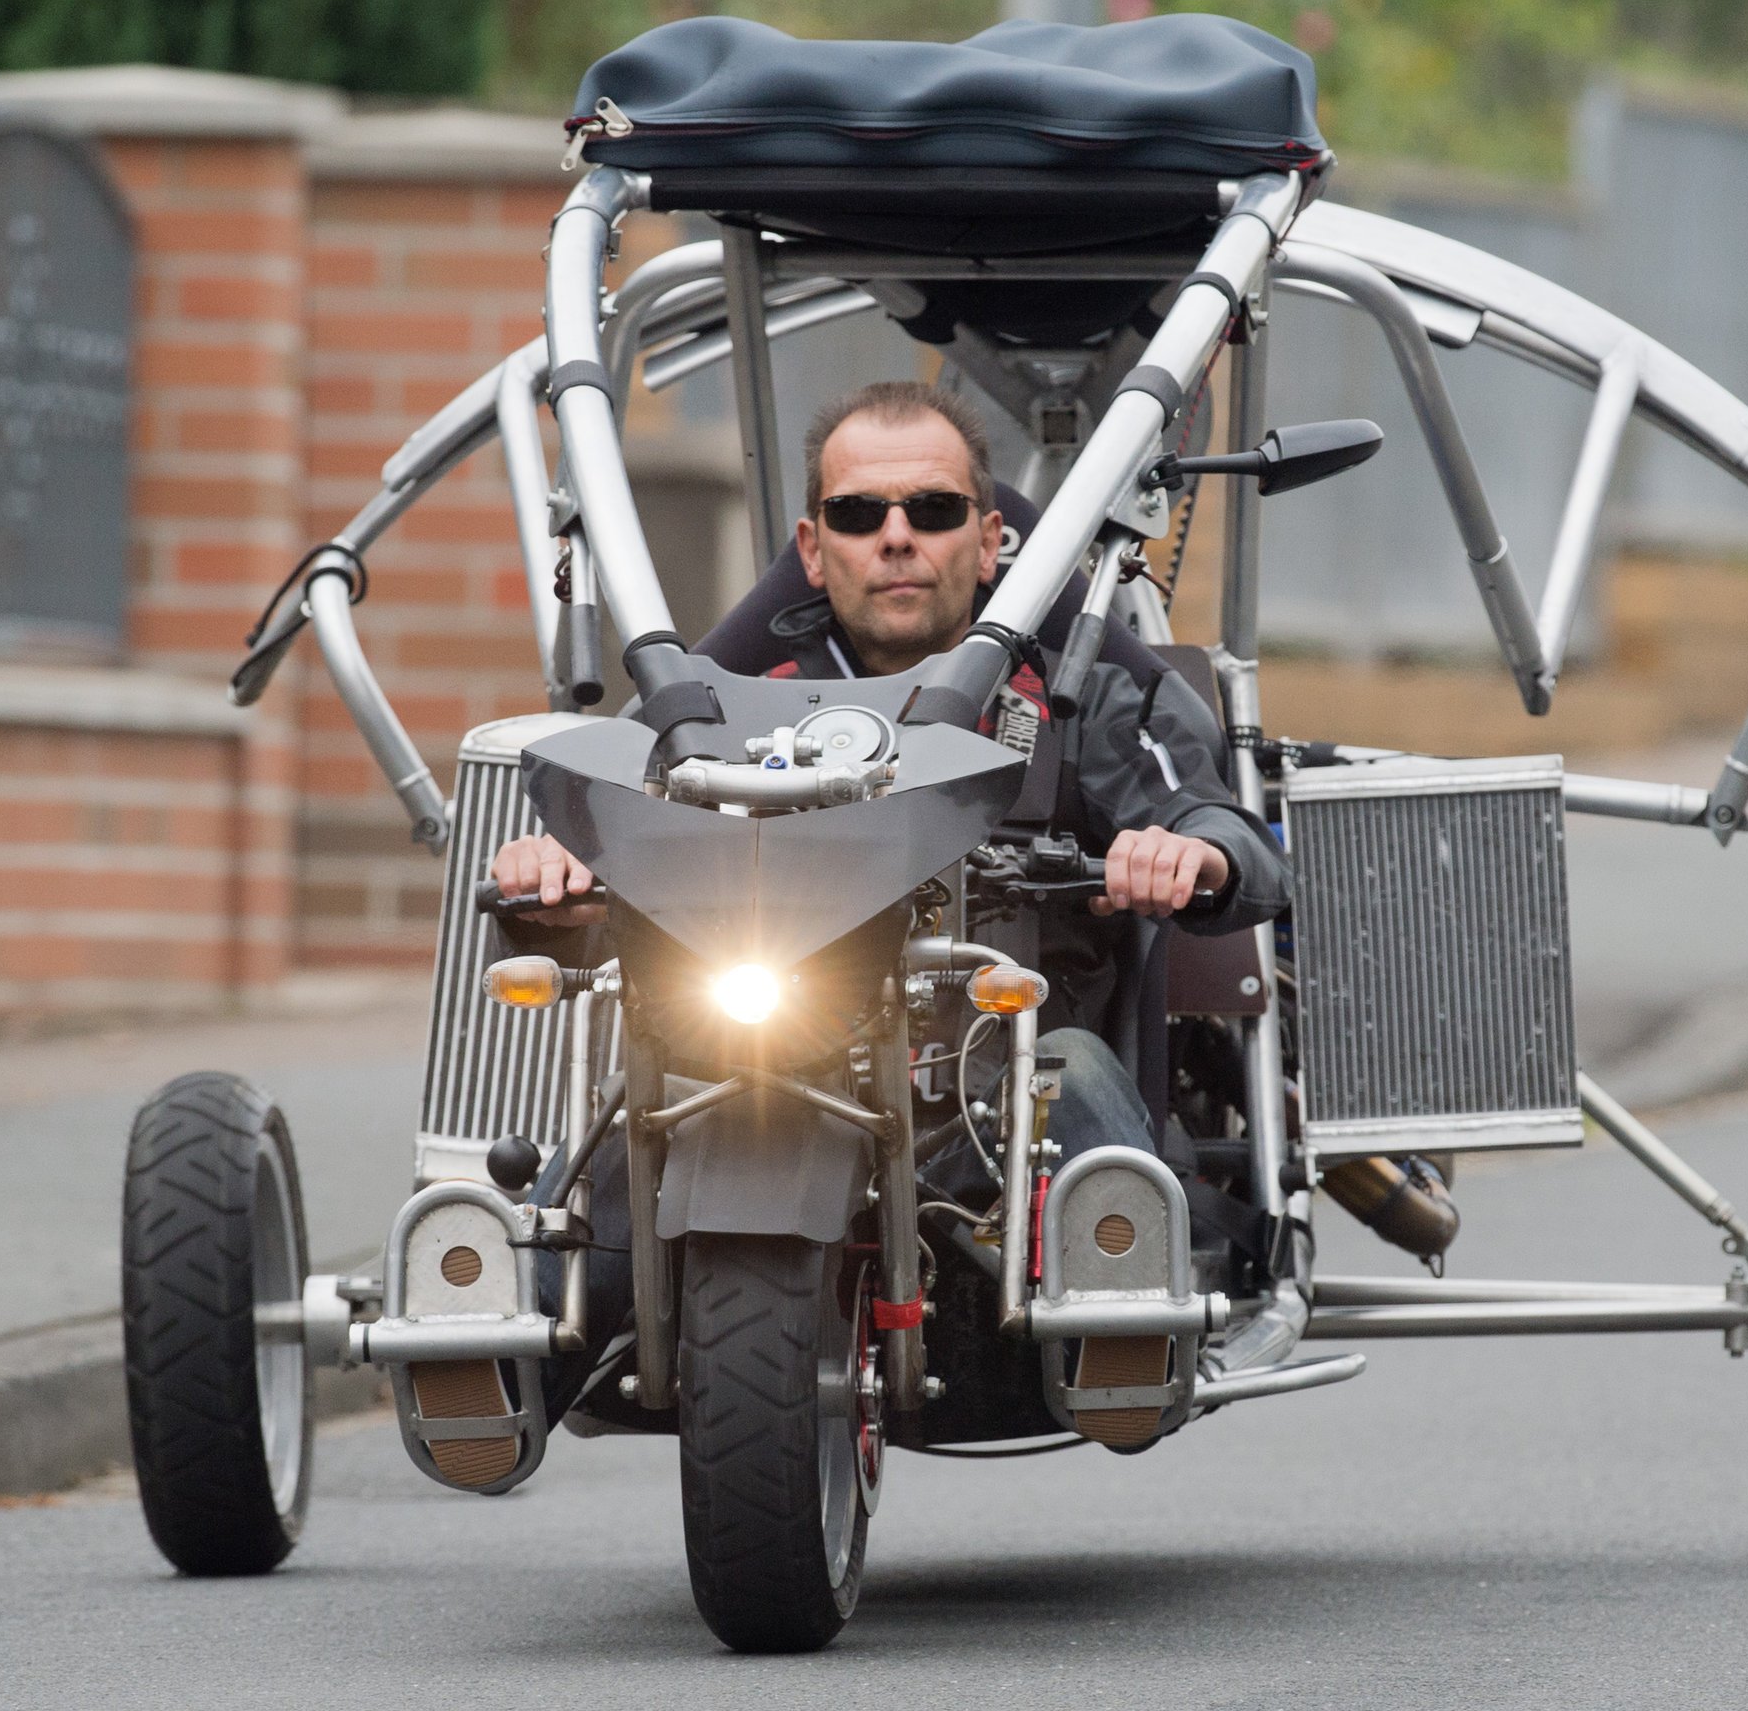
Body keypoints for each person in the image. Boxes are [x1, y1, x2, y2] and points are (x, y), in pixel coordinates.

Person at [491, 380, 1290, 1436]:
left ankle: (1124, 1321)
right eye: (863, 516)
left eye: (934, 510)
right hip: (766, 1061)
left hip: (996, 1090)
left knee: (1073, 1071)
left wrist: (1186, 850)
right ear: (814, 552)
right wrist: (557, 866)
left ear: (993, 538)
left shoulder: (1084, 692)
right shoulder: (718, 695)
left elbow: (1225, 828)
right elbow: (620, 813)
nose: (898, 538)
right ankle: (504, 1367)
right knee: (644, 1103)